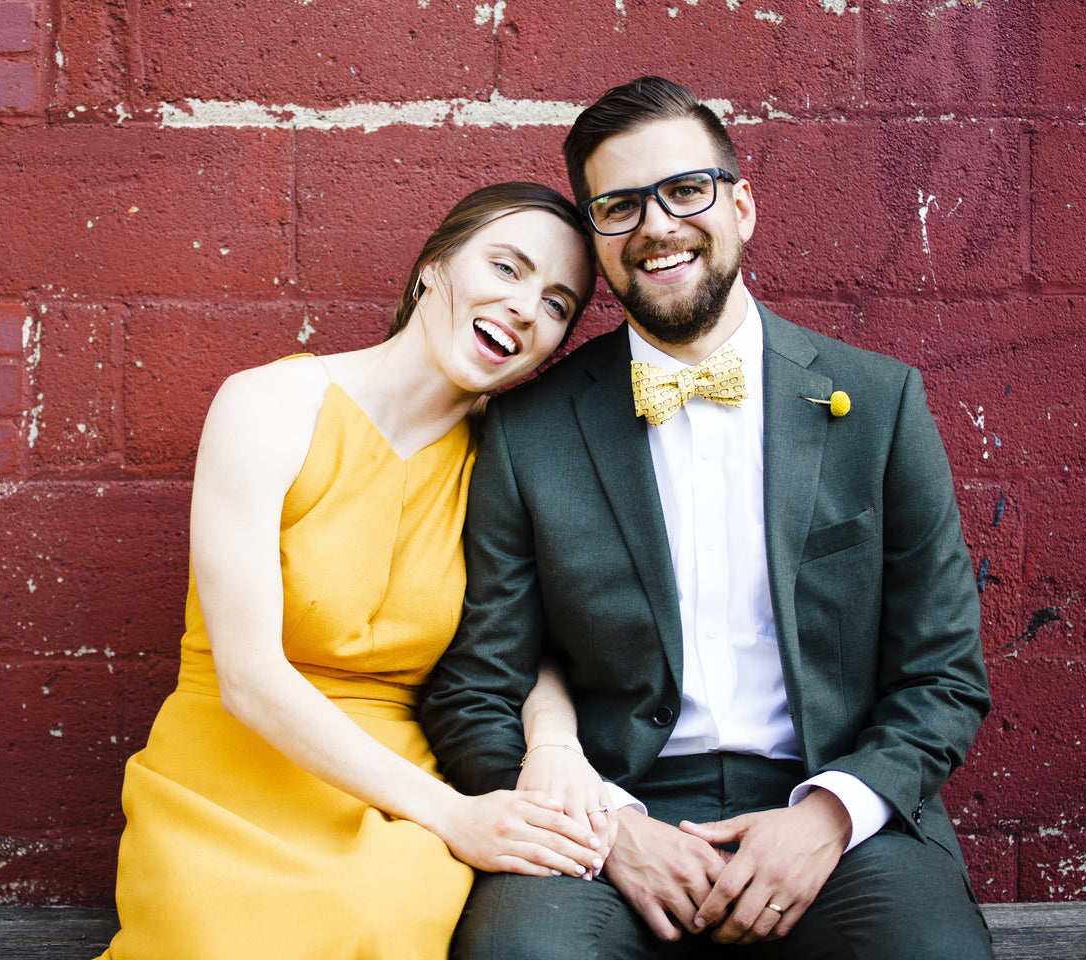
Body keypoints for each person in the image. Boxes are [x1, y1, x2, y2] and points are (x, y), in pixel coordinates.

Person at [421, 76, 995, 958]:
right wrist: (607, 828)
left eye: (685, 190)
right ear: (598, 240)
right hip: (608, 817)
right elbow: (475, 689)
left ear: (743, 205)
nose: (656, 226)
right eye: (618, 206)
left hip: (836, 813)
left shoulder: (880, 404)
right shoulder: (528, 430)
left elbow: (944, 673)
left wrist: (832, 816)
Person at [97, 182, 613, 960]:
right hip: (229, 764)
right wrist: (454, 817)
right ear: (436, 265)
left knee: (383, 916)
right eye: (507, 268)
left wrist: (555, 746)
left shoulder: (507, 461)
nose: (523, 307)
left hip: (392, 786)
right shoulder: (267, 406)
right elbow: (246, 677)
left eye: (555, 305)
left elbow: (523, 645)